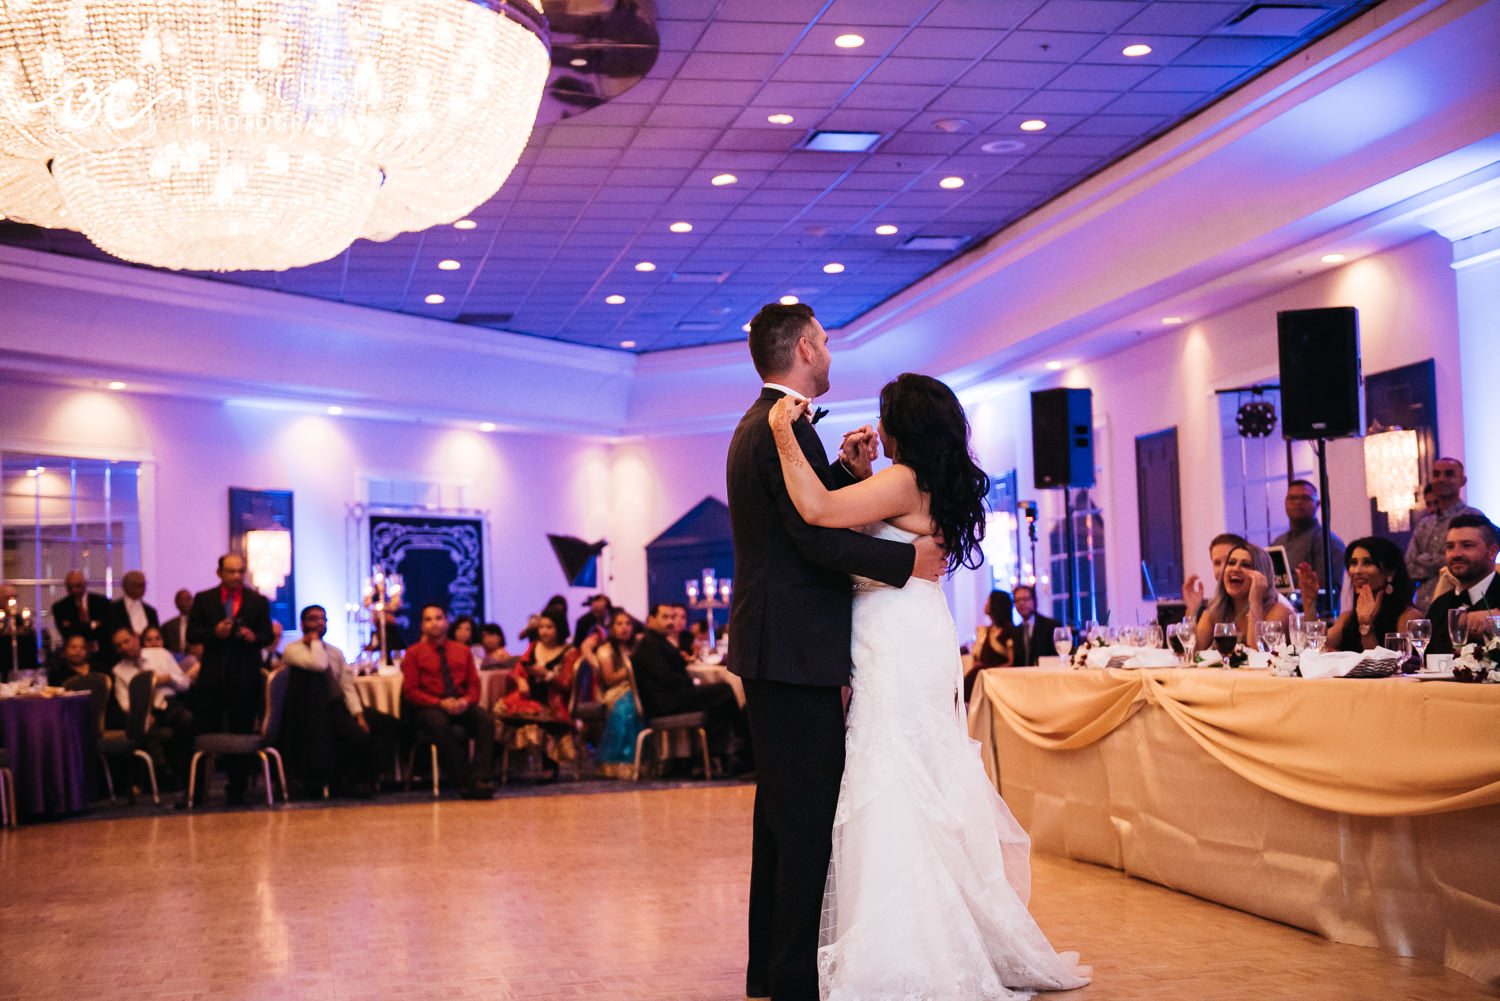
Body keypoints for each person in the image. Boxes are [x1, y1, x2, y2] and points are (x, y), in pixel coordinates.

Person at [768, 372, 1089, 999]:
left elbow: (816, 510)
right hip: (911, 627)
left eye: (884, 417)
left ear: (903, 426)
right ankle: (930, 925)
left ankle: (906, 945)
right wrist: (859, 473)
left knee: (893, 770)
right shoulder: (918, 481)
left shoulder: (905, 478)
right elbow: (876, 529)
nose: (877, 428)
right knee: (913, 767)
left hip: (896, 634)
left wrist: (784, 432)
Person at [725, 300, 948, 1001]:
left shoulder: (769, 426)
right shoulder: (778, 429)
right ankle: (794, 979)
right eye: (824, 341)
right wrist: (907, 562)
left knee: (780, 817)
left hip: (780, 647)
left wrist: (848, 475)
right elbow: (812, 536)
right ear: (802, 351)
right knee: (805, 819)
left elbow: (817, 513)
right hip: (790, 650)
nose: (830, 350)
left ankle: (773, 969)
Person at [280, 605, 398, 798]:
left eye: (322, 619)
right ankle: (350, 781)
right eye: (313, 619)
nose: (319, 623)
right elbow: (318, 664)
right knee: (355, 735)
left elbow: (347, 686)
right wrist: (315, 642)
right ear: (302, 624)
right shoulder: (292, 650)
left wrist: (358, 714)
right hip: (310, 711)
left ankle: (374, 776)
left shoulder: (335, 652)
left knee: (386, 723)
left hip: (337, 705)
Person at [187, 554, 274, 805]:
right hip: (213, 676)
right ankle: (199, 790)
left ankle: (238, 788)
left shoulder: (257, 601)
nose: (237, 576)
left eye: (240, 571)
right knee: (205, 731)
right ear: (220, 573)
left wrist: (252, 636)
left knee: (241, 731)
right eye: (231, 571)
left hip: (245, 676)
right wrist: (214, 633)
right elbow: (192, 633)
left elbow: (267, 635)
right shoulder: (204, 599)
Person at [632, 602, 746, 771]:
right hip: (664, 703)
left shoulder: (658, 641)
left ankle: (714, 758)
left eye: (672, 617)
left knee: (718, 702)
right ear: (650, 619)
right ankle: (742, 746)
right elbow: (667, 679)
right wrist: (693, 683)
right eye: (665, 617)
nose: (670, 622)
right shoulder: (649, 644)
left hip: (670, 697)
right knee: (724, 691)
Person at [400, 603, 495, 799]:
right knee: (438, 723)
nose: (434, 623)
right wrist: (439, 703)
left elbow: (474, 686)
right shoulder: (414, 653)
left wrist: (465, 701)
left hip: (459, 702)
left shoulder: (462, 651)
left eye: (438, 618)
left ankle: (481, 777)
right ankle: (465, 783)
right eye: (428, 619)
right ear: (422, 626)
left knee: (485, 720)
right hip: (429, 706)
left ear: (446, 621)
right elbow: (411, 691)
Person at [110, 625, 197, 789]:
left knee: (187, 720)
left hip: (167, 703)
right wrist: (140, 712)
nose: (124, 647)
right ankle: (163, 776)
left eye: (126, 641)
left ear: (136, 638)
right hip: (142, 712)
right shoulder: (119, 671)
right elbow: (124, 702)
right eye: (119, 645)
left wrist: (169, 678)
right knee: (148, 730)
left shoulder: (160, 655)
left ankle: (188, 775)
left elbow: (185, 684)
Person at [496, 607, 579, 778]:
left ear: (559, 628)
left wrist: (546, 675)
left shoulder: (570, 652)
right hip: (528, 695)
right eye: (541, 627)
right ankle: (498, 768)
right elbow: (519, 668)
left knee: (542, 721)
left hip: (554, 699)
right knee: (499, 715)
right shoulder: (534, 646)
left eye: (549, 627)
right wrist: (521, 680)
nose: (544, 632)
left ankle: (549, 766)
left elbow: (566, 684)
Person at [1297, 538, 1418, 653]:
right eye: (1353, 563)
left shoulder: (1409, 617)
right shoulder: (1346, 618)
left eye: (1367, 562)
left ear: (1390, 572)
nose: (1357, 571)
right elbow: (1316, 647)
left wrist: (1366, 625)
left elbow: (1383, 666)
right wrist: (1309, 602)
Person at [1406, 457, 1485, 609]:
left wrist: (1424, 559)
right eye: (1436, 474)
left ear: (1462, 480)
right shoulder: (1424, 524)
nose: (1442, 479)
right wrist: (1445, 563)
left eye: (1449, 474)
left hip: (1461, 606)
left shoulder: (1474, 518)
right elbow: (1409, 567)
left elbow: (1477, 561)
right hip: (1424, 607)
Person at [1187, 542, 1291, 652]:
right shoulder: (1215, 610)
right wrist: (1193, 609)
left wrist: (1255, 602)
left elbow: (1258, 657)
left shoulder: (1278, 612)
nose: (1235, 569)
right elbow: (1190, 652)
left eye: (1246, 565)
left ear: (1261, 575)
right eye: (1231, 563)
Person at [1423, 514, 1500, 658]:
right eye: (1450, 547)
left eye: (1467, 545)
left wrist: (1496, 623)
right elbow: (1422, 662)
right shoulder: (1439, 605)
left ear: (1492, 552)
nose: (1456, 554)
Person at [1270, 480, 1345, 614]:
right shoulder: (1278, 542)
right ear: (1285, 503)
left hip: (1317, 622)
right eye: (1292, 498)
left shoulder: (1328, 542)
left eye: (1305, 498)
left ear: (1317, 504)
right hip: (1280, 619)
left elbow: (1327, 591)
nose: (1298, 502)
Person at [594, 609, 642, 779]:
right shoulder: (606, 649)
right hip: (615, 690)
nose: (625, 628)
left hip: (637, 686)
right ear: (612, 627)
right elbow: (609, 679)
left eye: (628, 624)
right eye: (619, 624)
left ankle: (644, 759)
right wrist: (632, 666)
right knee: (628, 708)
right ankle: (621, 761)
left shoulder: (637, 644)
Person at [1182, 533, 1250, 623]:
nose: (1222, 569)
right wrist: (1193, 609)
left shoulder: (1267, 607)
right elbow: (1190, 637)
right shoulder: (1214, 608)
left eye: (1229, 561)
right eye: (1217, 563)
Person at [50, 569, 111, 660]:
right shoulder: (60, 607)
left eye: (78, 586)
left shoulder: (102, 602)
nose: (74, 590)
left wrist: (76, 626)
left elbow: (106, 629)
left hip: (102, 652)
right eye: (70, 587)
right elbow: (67, 633)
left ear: (85, 584)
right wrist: (93, 625)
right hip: (75, 654)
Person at [1013, 584, 1060, 666]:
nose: (1021, 603)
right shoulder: (1016, 631)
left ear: (1034, 601)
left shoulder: (1050, 626)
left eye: (1025, 599)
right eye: (1017, 600)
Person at [106, 570, 160, 640]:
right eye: (135, 585)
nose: (141, 588)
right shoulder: (112, 609)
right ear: (125, 586)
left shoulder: (151, 612)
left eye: (143, 585)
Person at [972, 590, 1016, 669]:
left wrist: (990, 672)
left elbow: (1011, 662)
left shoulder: (1008, 631)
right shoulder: (986, 631)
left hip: (994, 677)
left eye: (988, 601)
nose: (985, 604)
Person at [161, 588, 194, 654]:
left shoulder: (201, 623)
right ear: (176, 603)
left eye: (188, 599)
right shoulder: (167, 626)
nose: (185, 603)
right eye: (181, 599)